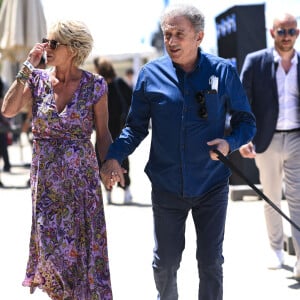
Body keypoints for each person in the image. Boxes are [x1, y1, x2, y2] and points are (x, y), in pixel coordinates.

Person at [101, 4, 256, 300]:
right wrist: (114, 156)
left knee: (210, 262)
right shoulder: (149, 75)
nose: (171, 41)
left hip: (212, 185)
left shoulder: (223, 71)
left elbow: (246, 122)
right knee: (165, 263)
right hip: (166, 185)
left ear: (199, 36)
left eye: (178, 35)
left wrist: (229, 143)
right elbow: (135, 127)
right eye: (167, 34)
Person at [1, 20, 113, 299]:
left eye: (53, 43)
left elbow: (103, 134)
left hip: (82, 187)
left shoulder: (95, 85)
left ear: (73, 49)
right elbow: (8, 110)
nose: (46, 47)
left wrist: (110, 164)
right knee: (52, 257)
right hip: (47, 189)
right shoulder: (37, 80)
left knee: (81, 257)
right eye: (45, 41)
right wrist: (28, 65)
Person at [239, 13, 300, 279]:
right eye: (282, 31)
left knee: (298, 200)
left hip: (297, 138)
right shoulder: (256, 62)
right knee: (271, 196)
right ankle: (275, 248)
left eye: (292, 31)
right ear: (271, 32)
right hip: (268, 139)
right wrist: (243, 137)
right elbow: (242, 102)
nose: (287, 36)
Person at [94, 57, 133, 204]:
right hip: (119, 127)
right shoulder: (120, 83)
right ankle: (126, 190)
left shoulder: (99, 85)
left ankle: (109, 192)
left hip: (103, 128)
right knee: (122, 158)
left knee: (102, 159)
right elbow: (132, 100)